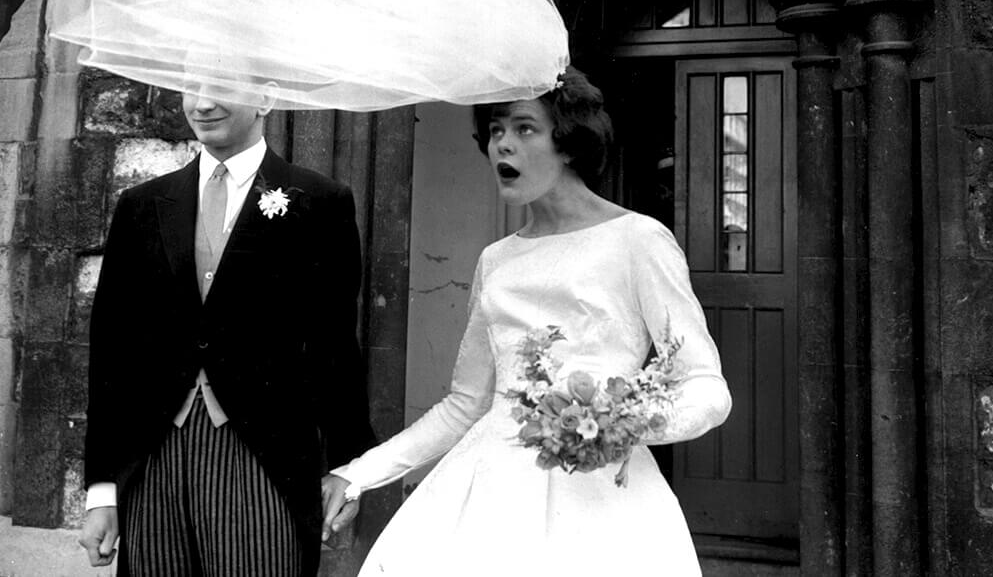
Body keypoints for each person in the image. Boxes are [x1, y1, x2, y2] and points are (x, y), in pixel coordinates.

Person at [325, 68, 732, 576]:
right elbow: (464, 405)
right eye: (495, 130)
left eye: (523, 129)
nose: (502, 146)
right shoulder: (496, 260)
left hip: (601, 498)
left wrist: (620, 427)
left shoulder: (639, 241)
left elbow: (706, 387)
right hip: (489, 490)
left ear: (568, 143)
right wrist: (358, 473)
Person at [78, 80, 375, 576]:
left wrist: (350, 467)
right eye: (190, 85)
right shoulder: (142, 205)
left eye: (222, 85)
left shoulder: (320, 201)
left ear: (266, 96)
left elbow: (335, 349)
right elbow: (112, 354)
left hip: (265, 457)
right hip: (153, 461)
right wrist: (102, 489)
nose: (202, 102)